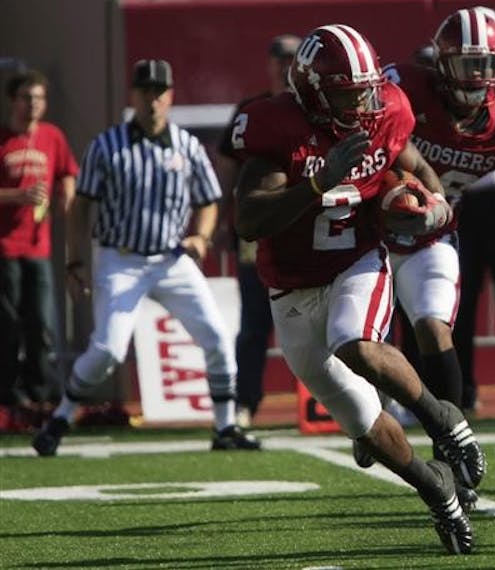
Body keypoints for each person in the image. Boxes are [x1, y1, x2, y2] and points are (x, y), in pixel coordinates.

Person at [230, 24, 483, 554]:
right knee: (363, 422)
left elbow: (412, 163)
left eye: (366, 90)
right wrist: (317, 184)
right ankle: (438, 492)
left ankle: (445, 422)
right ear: (314, 90)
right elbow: (250, 219)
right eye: (348, 92)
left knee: (355, 340)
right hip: (291, 291)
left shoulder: (387, 110)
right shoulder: (276, 127)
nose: (362, 102)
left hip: (357, 259)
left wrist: (434, 206)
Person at [31, 60, 258, 456]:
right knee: (108, 351)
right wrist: (75, 262)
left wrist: (201, 237)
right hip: (120, 258)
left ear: (170, 95)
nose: (153, 100)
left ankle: (224, 428)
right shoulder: (107, 145)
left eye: (160, 92)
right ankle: (61, 417)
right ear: (132, 96)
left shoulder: (186, 145)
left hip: (171, 258)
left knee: (218, 339)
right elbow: (81, 206)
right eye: (145, 92)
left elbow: (208, 200)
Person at [390, 8, 495, 495]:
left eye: (487, 64)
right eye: (466, 63)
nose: (478, 75)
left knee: (434, 329)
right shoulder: (405, 94)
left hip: (432, 230)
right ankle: (373, 418)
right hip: (369, 229)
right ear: (441, 63)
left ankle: (449, 457)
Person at [217, 34, 300, 428]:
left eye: (292, 58)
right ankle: (246, 402)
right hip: (260, 227)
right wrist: (224, 216)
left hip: (303, 225)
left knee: (320, 316)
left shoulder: (309, 107)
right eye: (280, 58)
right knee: (254, 323)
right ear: (269, 63)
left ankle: (338, 402)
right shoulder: (250, 109)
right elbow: (229, 165)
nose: (286, 65)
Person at [0, 70, 78, 421]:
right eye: (26, 97)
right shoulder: (4, 139)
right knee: (9, 323)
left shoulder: (52, 137)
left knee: (41, 322)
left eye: (38, 98)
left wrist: (67, 194)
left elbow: (66, 171)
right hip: (6, 247)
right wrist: (19, 195)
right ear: (12, 101)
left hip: (39, 246)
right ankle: (9, 393)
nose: (33, 104)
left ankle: (40, 393)